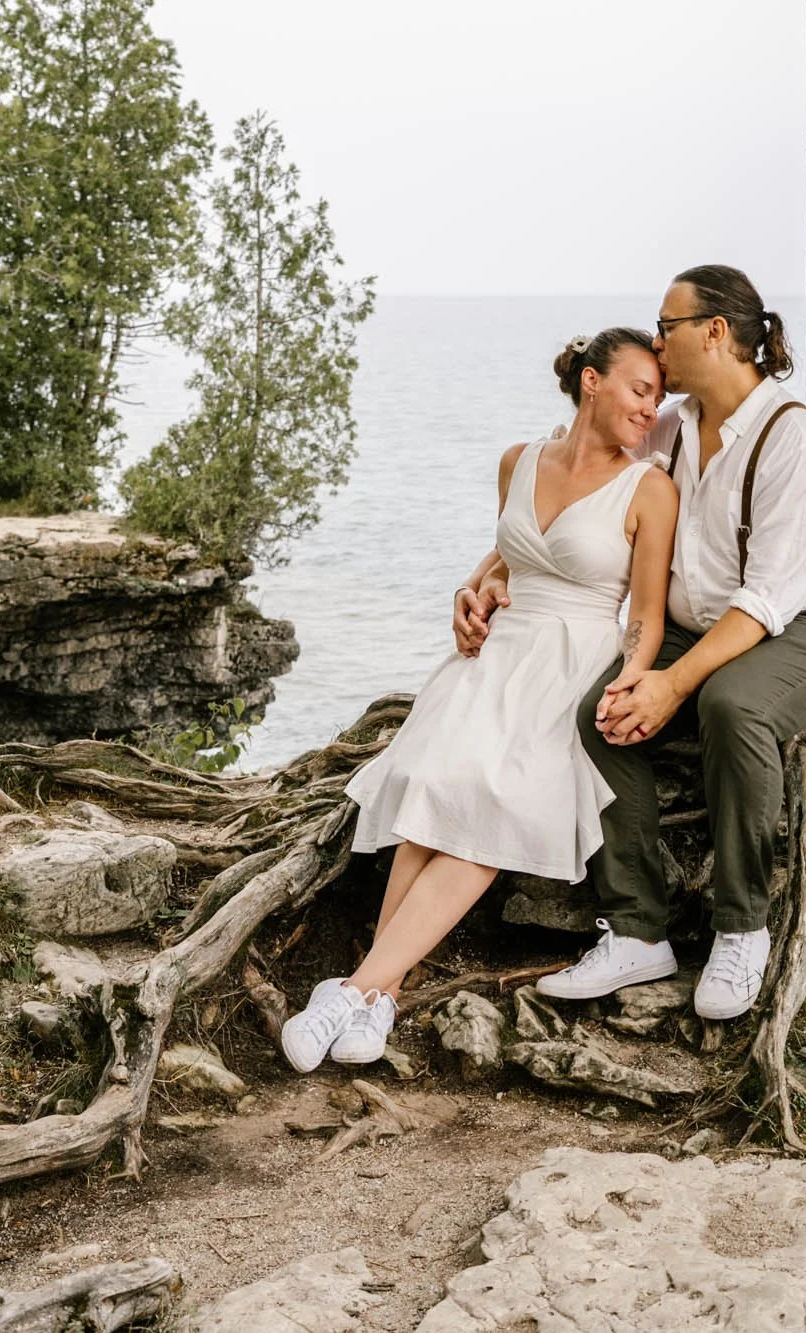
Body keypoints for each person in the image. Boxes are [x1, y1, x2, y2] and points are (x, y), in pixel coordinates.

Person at [469, 265, 806, 1021]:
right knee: (600, 712)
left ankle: (741, 926)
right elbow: (581, 469)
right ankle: (637, 930)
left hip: (804, 622)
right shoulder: (673, 424)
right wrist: (493, 570)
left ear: (715, 332)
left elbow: (767, 599)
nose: (657, 341)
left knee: (734, 707)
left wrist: (672, 682)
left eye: (667, 325)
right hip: (700, 624)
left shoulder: (792, 435)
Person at [280, 327, 678, 1074]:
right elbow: (508, 556)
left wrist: (634, 678)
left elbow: (647, 616)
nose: (649, 408)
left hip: (573, 660)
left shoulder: (649, 487)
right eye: (637, 388)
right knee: (431, 787)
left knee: (491, 808)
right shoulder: (518, 461)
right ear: (591, 381)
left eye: (656, 396)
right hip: (499, 654)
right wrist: (469, 592)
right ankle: (384, 995)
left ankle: (354, 986)